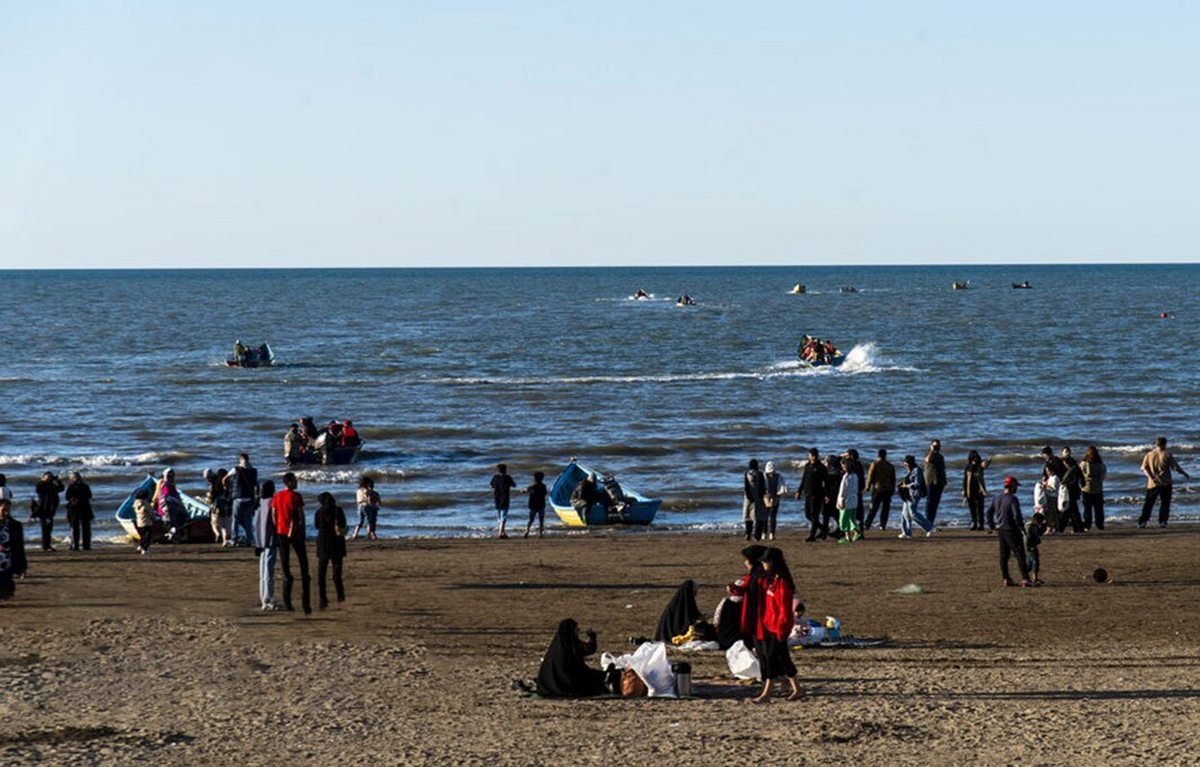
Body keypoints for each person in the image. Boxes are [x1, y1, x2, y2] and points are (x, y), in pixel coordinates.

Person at [749, 548, 802, 703]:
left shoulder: (783, 583)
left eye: (766, 562)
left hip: (780, 626)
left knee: (771, 658)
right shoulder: (772, 580)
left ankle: (766, 693)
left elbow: (784, 608)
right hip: (771, 624)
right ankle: (797, 689)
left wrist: (780, 628)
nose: (763, 565)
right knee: (784, 658)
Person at [533, 619, 606, 698]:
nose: (577, 632)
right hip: (570, 681)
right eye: (576, 630)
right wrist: (592, 638)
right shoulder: (572, 644)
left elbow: (588, 649)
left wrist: (592, 638)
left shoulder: (558, 646)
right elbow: (588, 649)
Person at [271, 472, 311, 615]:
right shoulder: (296, 496)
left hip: (281, 530)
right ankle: (304, 574)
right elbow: (300, 515)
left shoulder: (277, 496)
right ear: (289, 483)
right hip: (294, 531)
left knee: (284, 556)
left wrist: (277, 527)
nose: (296, 482)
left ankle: (287, 575)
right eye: (294, 480)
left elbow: (273, 513)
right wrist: (302, 528)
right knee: (302, 556)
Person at [987, 476, 1033, 587]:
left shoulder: (996, 498)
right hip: (1012, 529)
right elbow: (1016, 515)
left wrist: (992, 525)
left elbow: (989, 512)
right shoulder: (1012, 499)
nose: (1016, 488)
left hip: (1001, 530)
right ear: (1012, 486)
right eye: (1016, 486)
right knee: (1019, 554)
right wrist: (1022, 528)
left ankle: (1006, 578)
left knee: (1004, 555)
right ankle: (1025, 579)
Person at [1139, 437, 1190, 528]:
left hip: (1152, 483)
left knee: (1148, 503)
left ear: (1156, 444)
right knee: (1165, 503)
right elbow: (1176, 467)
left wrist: (1152, 477)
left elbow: (1144, 469)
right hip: (1165, 482)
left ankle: (1142, 522)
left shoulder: (1149, 454)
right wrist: (1184, 473)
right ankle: (1162, 521)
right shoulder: (1167, 455)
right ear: (1165, 444)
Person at [313, 492, 347, 610]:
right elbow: (343, 524)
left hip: (323, 542)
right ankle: (340, 596)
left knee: (322, 573)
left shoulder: (319, 512)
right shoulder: (338, 511)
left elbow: (316, 526)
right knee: (337, 573)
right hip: (337, 542)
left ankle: (323, 599)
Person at [225, 453, 259, 545]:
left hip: (238, 498)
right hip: (249, 499)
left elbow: (224, 479)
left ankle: (234, 539)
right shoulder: (253, 470)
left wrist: (228, 488)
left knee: (235, 519)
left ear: (241, 459)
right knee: (248, 520)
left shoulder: (236, 469)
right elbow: (256, 484)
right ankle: (249, 539)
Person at [254, 479, 278, 610]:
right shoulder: (272, 502)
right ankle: (267, 599)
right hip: (270, 540)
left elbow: (256, 524)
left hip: (261, 540)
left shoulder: (260, 503)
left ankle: (263, 597)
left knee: (263, 570)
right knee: (269, 571)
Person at [897, 455, 934, 538]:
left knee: (913, 514)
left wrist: (906, 486)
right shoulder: (908, 471)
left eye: (906, 464)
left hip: (915, 494)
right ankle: (906, 532)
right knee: (904, 513)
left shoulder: (917, 470)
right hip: (907, 494)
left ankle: (929, 527)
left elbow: (917, 483)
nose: (905, 465)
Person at [797, 449, 828, 542]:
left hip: (817, 495)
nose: (808, 456)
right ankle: (823, 529)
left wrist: (826, 495)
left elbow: (826, 482)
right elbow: (803, 479)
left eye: (809, 455)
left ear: (814, 456)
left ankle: (812, 536)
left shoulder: (821, 468)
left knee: (814, 515)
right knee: (808, 515)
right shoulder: (807, 466)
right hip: (807, 494)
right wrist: (799, 491)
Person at [0, 498, 28, 598]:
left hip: (7, 560)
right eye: (3, 510)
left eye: (7, 510)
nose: (5, 512)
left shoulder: (15, 525)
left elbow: (20, 547)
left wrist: (23, 567)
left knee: (7, 592)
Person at [865, 449, 895, 531]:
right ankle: (883, 525)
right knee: (885, 508)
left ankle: (867, 524)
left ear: (878, 455)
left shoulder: (875, 464)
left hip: (878, 488)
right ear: (885, 455)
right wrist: (893, 489)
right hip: (888, 488)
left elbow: (870, 476)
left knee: (873, 507)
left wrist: (867, 486)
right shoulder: (890, 465)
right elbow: (893, 479)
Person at [154, 468, 188, 543]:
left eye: (171, 476)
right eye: (169, 476)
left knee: (173, 521)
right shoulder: (166, 485)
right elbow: (167, 497)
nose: (171, 477)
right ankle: (174, 536)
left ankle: (174, 534)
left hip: (169, 508)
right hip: (167, 508)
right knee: (174, 521)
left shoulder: (167, 484)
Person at [33, 471, 64, 552]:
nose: (49, 478)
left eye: (51, 476)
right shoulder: (41, 485)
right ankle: (45, 546)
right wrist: (44, 480)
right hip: (43, 509)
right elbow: (38, 489)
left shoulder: (52, 485)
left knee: (49, 528)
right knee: (45, 528)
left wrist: (57, 481)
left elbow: (61, 488)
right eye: (48, 476)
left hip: (51, 509)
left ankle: (47, 545)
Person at [64, 471, 94, 551]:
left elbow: (89, 495)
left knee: (83, 527)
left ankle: (83, 545)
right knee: (77, 527)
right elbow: (67, 497)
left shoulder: (80, 486)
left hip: (81, 508)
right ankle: (77, 545)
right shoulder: (72, 487)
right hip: (77, 508)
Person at [962, 451, 991, 531]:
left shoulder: (980, 465)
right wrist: (963, 490)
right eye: (973, 457)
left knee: (980, 508)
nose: (975, 459)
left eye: (976, 457)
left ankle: (980, 524)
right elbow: (965, 479)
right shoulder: (968, 467)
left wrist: (988, 460)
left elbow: (985, 464)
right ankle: (974, 523)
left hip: (979, 489)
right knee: (972, 508)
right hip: (969, 490)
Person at [1080, 446, 1107, 531]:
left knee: (1087, 508)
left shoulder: (1083, 464)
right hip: (1097, 488)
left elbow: (1080, 475)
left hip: (1086, 488)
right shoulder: (1100, 465)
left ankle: (1087, 525)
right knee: (1098, 508)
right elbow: (1103, 476)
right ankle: (1100, 524)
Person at [1058, 447, 1084, 533]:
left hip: (1072, 493)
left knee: (1067, 512)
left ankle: (1061, 529)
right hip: (1072, 493)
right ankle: (1079, 528)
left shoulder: (1074, 470)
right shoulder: (1074, 469)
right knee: (1074, 512)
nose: (1064, 465)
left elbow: (1075, 481)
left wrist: (1065, 484)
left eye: (1065, 463)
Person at [836, 456, 860, 544]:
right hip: (854, 500)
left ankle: (848, 537)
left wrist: (841, 500)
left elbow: (843, 490)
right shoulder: (855, 476)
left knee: (844, 519)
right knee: (851, 518)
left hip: (846, 500)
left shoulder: (846, 477)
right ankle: (856, 532)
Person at [203, 469, 231, 546]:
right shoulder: (229, 484)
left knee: (215, 524)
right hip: (228, 508)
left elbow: (210, 499)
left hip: (217, 509)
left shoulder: (213, 486)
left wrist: (203, 500)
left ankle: (218, 534)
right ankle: (226, 540)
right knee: (227, 525)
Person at [923, 440, 947, 524]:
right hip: (930, 481)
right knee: (929, 502)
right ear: (931, 446)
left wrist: (944, 481)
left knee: (935, 503)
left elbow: (943, 470)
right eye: (935, 446)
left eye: (938, 446)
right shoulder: (928, 455)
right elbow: (927, 460)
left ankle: (931, 522)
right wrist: (932, 451)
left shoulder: (940, 457)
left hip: (939, 482)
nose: (937, 447)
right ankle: (927, 521)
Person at [490, 464, 517, 539]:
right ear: (505, 470)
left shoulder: (495, 477)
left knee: (499, 517)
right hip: (505, 498)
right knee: (503, 517)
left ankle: (502, 532)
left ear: (498, 470)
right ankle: (500, 533)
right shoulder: (507, 477)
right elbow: (514, 485)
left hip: (497, 498)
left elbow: (491, 486)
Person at [742, 459, 766, 541]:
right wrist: (761, 496)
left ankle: (747, 533)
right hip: (758, 498)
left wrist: (749, 497)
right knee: (759, 517)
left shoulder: (746, 474)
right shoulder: (760, 474)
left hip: (748, 498)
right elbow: (763, 487)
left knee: (748, 517)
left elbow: (746, 486)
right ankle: (757, 536)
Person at [352, 475, 380, 541]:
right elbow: (368, 498)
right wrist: (369, 502)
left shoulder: (358, 490)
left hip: (359, 506)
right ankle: (370, 534)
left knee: (360, 521)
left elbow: (358, 500)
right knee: (369, 521)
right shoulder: (366, 490)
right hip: (366, 506)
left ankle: (355, 534)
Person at [762, 462, 785, 541]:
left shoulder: (764, 476)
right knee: (772, 516)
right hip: (773, 497)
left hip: (767, 497)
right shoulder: (778, 476)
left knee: (767, 516)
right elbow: (782, 487)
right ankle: (770, 533)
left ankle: (765, 533)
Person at [845, 449, 865, 535]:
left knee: (849, 512)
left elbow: (838, 459)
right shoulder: (859, 465)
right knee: (859, 513)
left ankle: (851, 531)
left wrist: (842, 455)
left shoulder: (850, 466)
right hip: (858, 491)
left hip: (850, 492)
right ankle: (861, 531)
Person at [522, 471, 548, 539]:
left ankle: (527, 531)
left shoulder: (532, 486)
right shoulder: (543, 486)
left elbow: (524, 491)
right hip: (541, 504)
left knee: (531, 519)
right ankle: (540, 534)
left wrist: (524, 490)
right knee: (541, 520)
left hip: (533, 504)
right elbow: (545, 493)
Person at [822, 455, 843, 539]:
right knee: (834, 514)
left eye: (825, 461)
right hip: (835, 496)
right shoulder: (838, 472)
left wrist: (827, 495)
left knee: (827, 514)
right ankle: (839, 530)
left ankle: (825, 532)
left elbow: (832, 487)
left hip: (830, 496)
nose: (823, 462)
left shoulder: (831, 474)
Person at [1025, 511, 1046, 585]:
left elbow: (1038, 534)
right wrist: (1028, 547)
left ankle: (1032, 577)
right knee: (1034, 562)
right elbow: (1027, 538)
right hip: (1030, 546)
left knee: (1032, 563)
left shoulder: (1034, 526)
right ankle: (1033, 578)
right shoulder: (1029, 526)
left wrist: (1043, 529)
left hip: (1033, 545)